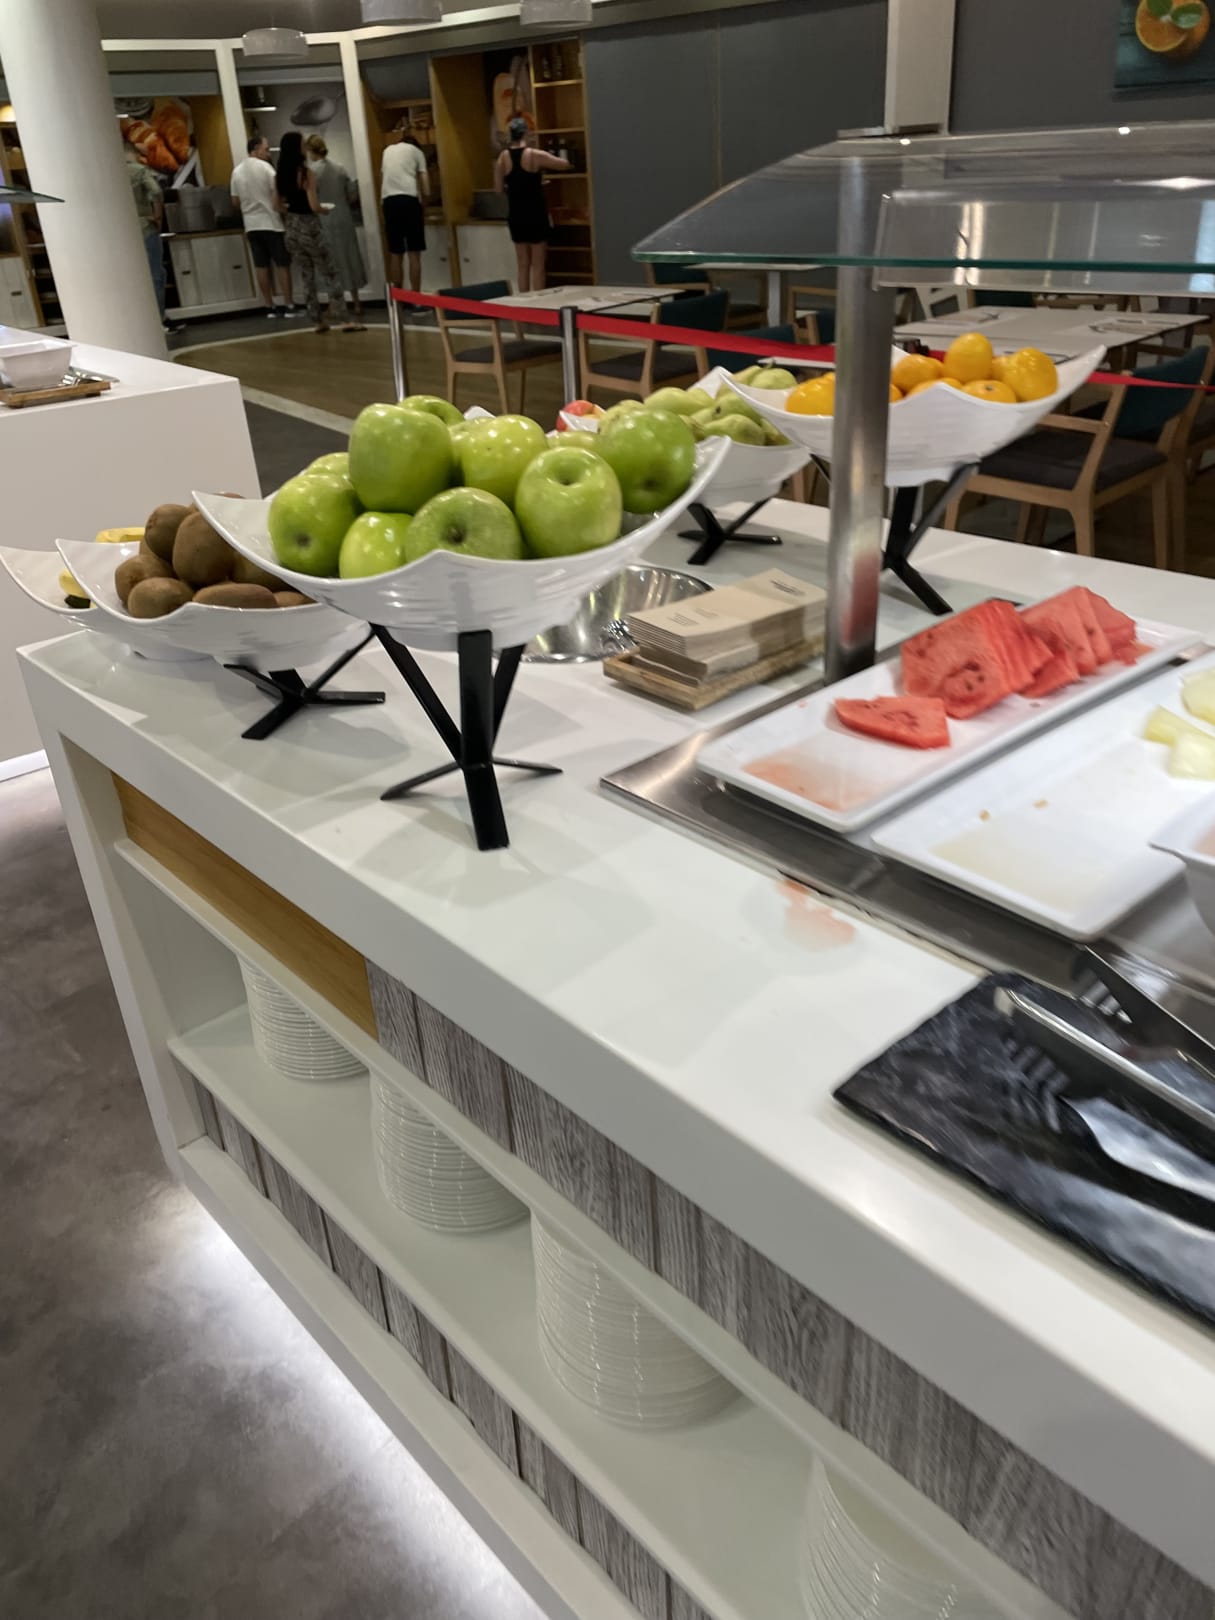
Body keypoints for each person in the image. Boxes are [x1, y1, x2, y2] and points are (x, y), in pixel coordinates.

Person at [274, 130, 349, 335]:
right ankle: (343, 318)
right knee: (329, 272)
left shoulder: (279, 175)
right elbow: (314, 205)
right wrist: (324, 210)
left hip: (292, 229)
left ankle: (316, 320)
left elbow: (276, 205)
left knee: (307, 275)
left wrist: (291, 211)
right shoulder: (306, 173)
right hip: (310, 227)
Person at [494, 118, 569, 294]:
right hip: (536, 213)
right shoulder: (534, 155)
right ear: (526, 133)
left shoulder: (503, 157)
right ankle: (538, 303)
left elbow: (498, 189)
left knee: (522, 264)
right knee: (538, 265)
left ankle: (523, 302)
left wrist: (515, 188)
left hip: (516, 214)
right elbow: (564, 164)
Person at [305, 134, 366, 331]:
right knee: (350, 257)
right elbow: (352, 194)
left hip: (324, 219)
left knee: (331, 263)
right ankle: (357, 302)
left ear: (310, 151)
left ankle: (334, 305)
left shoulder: (312, 172)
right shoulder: (340, 168)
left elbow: (310, 200)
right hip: (344, 217)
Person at [231, 134, 296, 319]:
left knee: (261, 266)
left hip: (251, 225)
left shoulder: (237, 171)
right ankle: (289, 304)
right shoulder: (267, 168)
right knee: (282, 264)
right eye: (266, 149)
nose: (268, 153)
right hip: (271, 223)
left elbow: (235, 201)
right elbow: (278, 194)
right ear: (256, 149)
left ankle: (269, 306)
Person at [125, 146, 183, 337]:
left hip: (123, 233)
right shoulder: (139, 171)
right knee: (156, 275)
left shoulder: (111, 174)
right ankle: (159, 318)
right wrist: (158, 217)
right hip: (145, 228)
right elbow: (156, 191)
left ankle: (143, 320)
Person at [380, 125, 429, 302]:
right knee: (414, 253)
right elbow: (425, 185)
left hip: (389, 203)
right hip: (409, 201)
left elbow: (384, 178)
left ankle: (398, 300)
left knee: (395, 253)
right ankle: (416, 299)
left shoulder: (387, 151)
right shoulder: (417, 152)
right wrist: (425, 203)